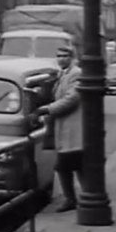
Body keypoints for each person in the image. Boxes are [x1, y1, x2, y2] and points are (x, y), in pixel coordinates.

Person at [35, 46, 83, 213]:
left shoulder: (76, 74)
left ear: (72, 57)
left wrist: (48, 109)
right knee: (69, 166)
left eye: (65, 56)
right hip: (63, 128)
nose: (61, 59)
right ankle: (75, 198)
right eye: (59, 56)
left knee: (68, 165)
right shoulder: (62, 74)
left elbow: (72, 99)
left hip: (72, 128)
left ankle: (75, 199)